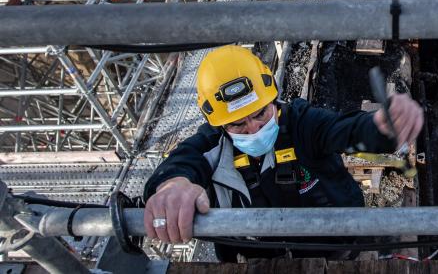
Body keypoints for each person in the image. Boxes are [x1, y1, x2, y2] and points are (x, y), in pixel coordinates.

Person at [142, 45, 423, 259]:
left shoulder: (302, 124)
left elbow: (346, 130)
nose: (253, 130)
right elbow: (181, 163)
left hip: (334, 246)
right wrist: (172, 186)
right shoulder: (213, 145)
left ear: (272, 99)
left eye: (260, 114)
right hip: (259, 260)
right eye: (238, 124)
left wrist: (383, 128)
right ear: (218, 124)